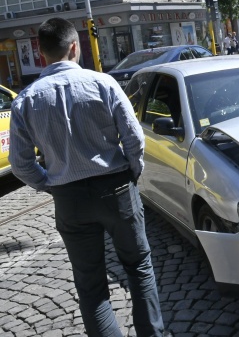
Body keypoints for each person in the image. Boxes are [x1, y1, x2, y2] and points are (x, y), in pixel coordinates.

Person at [8, 18, 165, 337]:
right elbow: (135, 139)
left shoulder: (25, 101)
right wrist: (131, 174)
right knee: (139, 268)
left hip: (70, 200)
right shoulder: (103, 84)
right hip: (116, 188)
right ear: (75, 47)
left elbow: (20, 163)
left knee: (91, 286)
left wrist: (49, 184)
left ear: (41, 53)